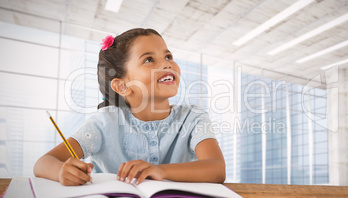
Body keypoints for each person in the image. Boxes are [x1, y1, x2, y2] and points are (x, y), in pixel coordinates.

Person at [33, 28, 226, 186]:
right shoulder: (105, 122)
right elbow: (42, 164)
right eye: (149, 60)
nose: (167, 64)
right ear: (122, 86)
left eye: (168, 56)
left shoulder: (193, 117)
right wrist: (61, 171)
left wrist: (160, 171)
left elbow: (217, 170)